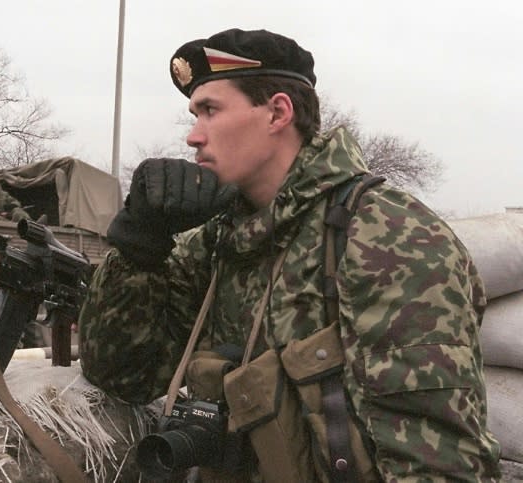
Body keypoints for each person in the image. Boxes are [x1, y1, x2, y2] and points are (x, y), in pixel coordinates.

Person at [78, 28, 501, 481]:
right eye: (194, 115)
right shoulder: (218, 240)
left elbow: (437, 464)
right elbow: (123, 375)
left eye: (210, 111)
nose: (193, 137)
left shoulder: (389, 238)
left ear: (278, 112)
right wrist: (140, 245)